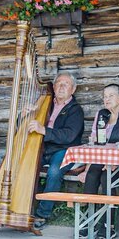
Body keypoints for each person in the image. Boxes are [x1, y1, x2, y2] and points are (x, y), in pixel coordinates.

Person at [78, 83, 119, 239]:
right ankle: (88, 222)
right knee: (92, 174)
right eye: (105, 96)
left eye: (111, 95)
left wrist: (116, 161)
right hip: (101, 160)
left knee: (106, 177)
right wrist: (86, 169)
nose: (107, 99)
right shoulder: (101, 115)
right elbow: (94, 143)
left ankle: (107, 225)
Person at [28, 71, 85, 229]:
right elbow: (27, 126)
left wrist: (44, 130)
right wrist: (26, 115)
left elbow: (69, 135)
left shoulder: (75, 110)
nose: (61, 87)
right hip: (43, 148)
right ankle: (22, 208)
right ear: (53, 87)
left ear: (73, 89)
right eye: (59, 83)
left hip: (64, 150)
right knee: (24, 165)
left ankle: (42, 214)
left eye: (66, 84)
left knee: (54, 171)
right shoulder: (45, 104)